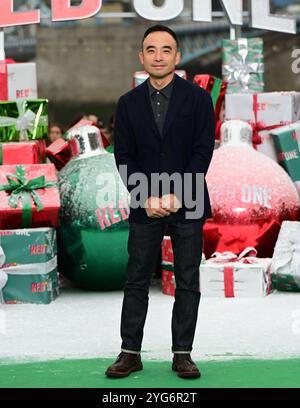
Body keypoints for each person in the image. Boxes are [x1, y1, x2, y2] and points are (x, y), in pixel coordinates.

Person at [106, 25, 215, 379]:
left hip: (190, 198)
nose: (158, 56)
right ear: (141, 57)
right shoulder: (127, 103)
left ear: (177, 57)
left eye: (165, 50)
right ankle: (130, 352)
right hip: (145, 200)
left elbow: (202, 153)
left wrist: (177, 194)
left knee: (187, 280)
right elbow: (123, 156)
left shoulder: (199, 100)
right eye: (151, 50)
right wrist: (145, 197)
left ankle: (183, 354)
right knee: (136, 278)